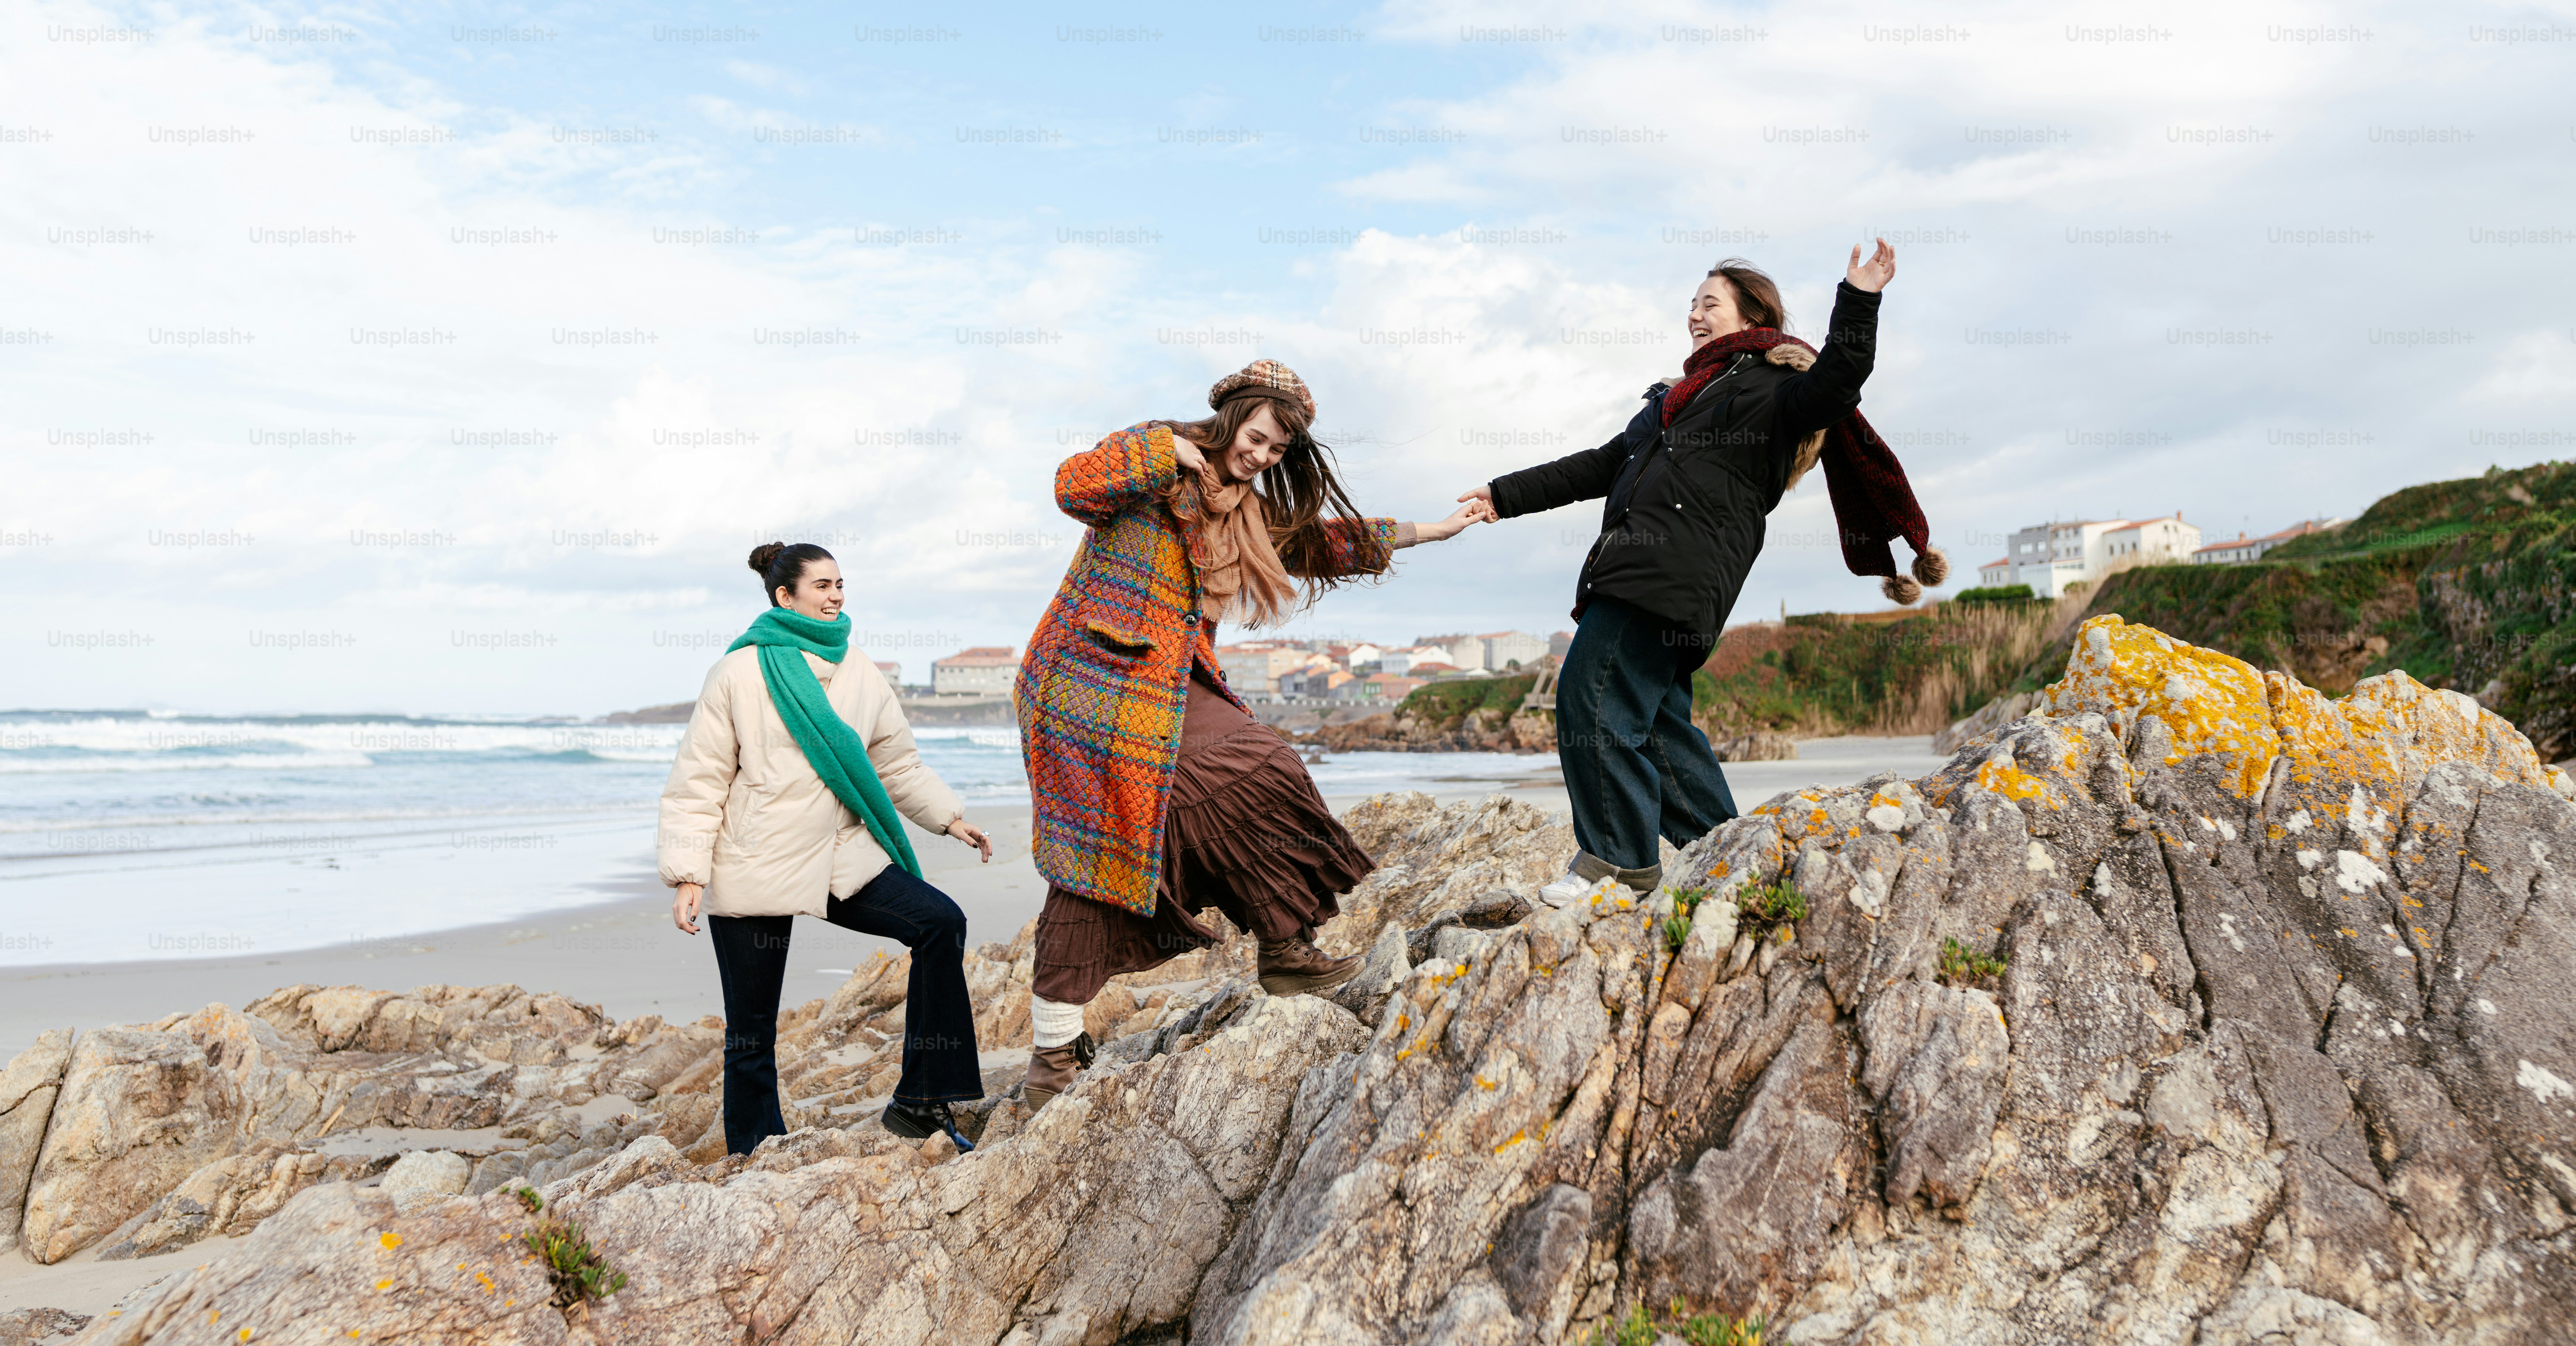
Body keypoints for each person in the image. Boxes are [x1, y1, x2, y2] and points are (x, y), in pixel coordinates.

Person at [1015, 358, 1492, 1109]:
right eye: (1260, 439)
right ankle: (1051, 1063)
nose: (1263, 457)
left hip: (1165, 686)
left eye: (1277, 452)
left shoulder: (1243, 507)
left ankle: (1284, 948)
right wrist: (1157, 452)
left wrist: (1432, 530)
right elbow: (1071, 484)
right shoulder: (1154, 455)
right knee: (1093, 856)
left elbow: (1321, 542)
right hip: (1085, 683)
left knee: (1262, 767)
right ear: (1236, 414)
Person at [1462, 242, 1943, 906]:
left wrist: (1858, 296)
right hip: (1646, 571)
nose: (1694, 314)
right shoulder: (1671, 401)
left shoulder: (1773, 389)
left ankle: (1616, 867)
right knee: (1660, 733)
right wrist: (1501, 494)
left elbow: (1839, 380)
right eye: (1690, 304)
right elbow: (1597, 465)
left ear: (1751, 316)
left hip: (1669, 575)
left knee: (1590, 697)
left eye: (1708, 303)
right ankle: (1736, 862)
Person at [658, 542, 996, 1153]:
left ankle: (920, 1100)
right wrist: (688, 873)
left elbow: (894, 762)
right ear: (784, 596)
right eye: (821, 585)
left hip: (841, 855)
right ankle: (757, 1149)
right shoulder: (739, 672)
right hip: (756, 856)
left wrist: (949, 819)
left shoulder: (859, 671)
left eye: (840, 583)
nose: (836, 595)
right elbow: (699, 778)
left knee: (939, 923)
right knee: (752, 1028)